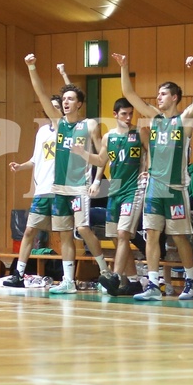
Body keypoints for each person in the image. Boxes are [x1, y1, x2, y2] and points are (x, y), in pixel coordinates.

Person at [117, 53, 193, 301]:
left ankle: (191, 281)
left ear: (175, 97)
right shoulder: (154, 119)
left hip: (176, 188)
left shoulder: (185, 119)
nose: (158, 97)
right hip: (154, 187)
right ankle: (152, 285)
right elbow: (129, 94)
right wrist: (124, 67)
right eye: (158, 94)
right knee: (151, 234)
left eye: (162, 93)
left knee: (179, 236)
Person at [25, 56, 110, 294]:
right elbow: (40, 92)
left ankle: (105, 272)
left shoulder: (90, 125)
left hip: (80, 186)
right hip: (59, 188)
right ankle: (68, 281)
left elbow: (102, 157)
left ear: (80, 103)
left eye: (70, 99)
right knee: (64, 235)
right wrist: (32, 67)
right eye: (63, 99)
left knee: (82, 229)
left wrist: (96, 181)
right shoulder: (58, 123)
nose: (65, 102)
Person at [72, 97, 149, 296]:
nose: (128, 117)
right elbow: (100, 160)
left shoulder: (140, 132)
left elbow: (151, 153)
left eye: (131, 113)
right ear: (115, 115)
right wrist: (82, 153)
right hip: (115, 191)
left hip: (133, 189)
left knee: (124, 234)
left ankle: (114, 276)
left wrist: (147, 169)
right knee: (116, 237)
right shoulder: (108, 137)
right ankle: (133, 281)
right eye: (124, 114)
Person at [3, 94, 62, 287]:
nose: (50, 109)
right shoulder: (42, 131)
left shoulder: (66, 129)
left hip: (61, 190)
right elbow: (35, 160)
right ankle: (18, 274)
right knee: (29, 231)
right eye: (49, 107)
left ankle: (69, 276)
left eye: (55, 106)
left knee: (66, 234)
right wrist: (20, 166)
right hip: (42, 190)